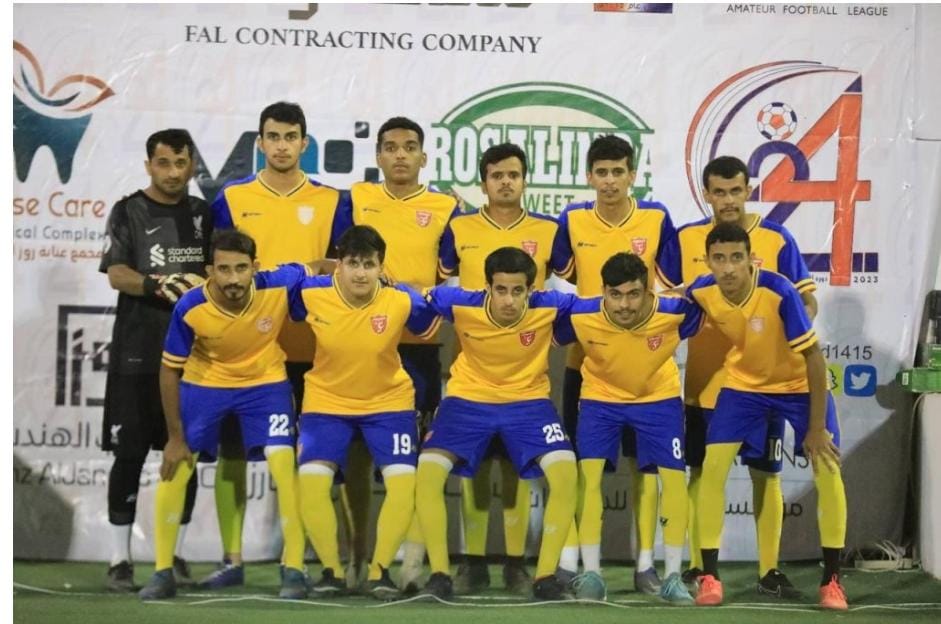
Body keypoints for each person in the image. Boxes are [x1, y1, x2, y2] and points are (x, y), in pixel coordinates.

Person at [208, 101, 349, 587]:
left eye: (291, 137)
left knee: (317, 458)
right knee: (232, 453)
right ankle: (231, 560)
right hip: (247, 349)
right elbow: (219, 272)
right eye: (274, 136)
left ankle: (317, 561)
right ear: (260, 143)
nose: (282, 146)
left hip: (316, 348)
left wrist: (317, 272)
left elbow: (344, 270)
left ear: (305, 144)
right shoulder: (231, 198)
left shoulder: (332, 200)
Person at [138, 230, 310, 600]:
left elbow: (315, 268)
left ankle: (294, 568)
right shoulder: (191, 306)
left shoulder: (279, 283)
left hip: (266, 384)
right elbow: (169, 370)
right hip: (206, 384)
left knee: (284, 463)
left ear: (255, 267)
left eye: (241, 268)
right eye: (224, 269)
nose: (233, 278)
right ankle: (162, 571)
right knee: (177, 465)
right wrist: (175, 438)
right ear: (209, 271)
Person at [677, 155, 818, 597]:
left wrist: (783, 334)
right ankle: (701, 567)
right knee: (701, 473)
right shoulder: (684, 239)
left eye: (735, 191)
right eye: (718, 192)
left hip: (762, 384)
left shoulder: (776, 238)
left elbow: (807, 303)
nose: (728, 200)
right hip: (704, 383)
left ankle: (769, 571)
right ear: (706, 194)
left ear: (749, 190)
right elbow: (674, 301)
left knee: (765, 473)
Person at [686, 223, 846, 610]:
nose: (728, 268)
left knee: (827, 468)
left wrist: (816, 428)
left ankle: (831, 582)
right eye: (719, 259)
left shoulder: (779, 291)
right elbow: (672, 299)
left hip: (798, 386)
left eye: (736, 258)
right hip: (743, 389)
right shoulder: (702, 290)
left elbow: (814, 358)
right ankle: (710, 577)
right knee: (712, 467)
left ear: (751, 259)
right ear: (707, 261)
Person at [552, 134, 681, 592]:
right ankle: (575, 562)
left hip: (645, 371)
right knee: (584, 469)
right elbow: (559, 278)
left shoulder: (656, 218)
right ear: (589, 176)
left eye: (618, 172)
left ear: (632, 175)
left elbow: (674, 287)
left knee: (646, 472)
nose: (610, 181)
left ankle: (646, 566)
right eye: (601, 172)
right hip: (586, 366)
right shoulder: (571, 220)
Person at [416, 247, 578, 601]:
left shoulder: (552, 305)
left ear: (531, 290)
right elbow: (411, 295)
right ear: (487, 287)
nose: (508, 300)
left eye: (517, 291)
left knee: (566, 470)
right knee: (428, 469)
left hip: (529, 402)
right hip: (467, 400)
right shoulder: (458, 302)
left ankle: (545, 577)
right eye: (500, 290)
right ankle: (440, 575)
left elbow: (600, 305)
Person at [437, 143, 563, 594]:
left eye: (513, 174)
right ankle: (472, 564)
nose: (505, 182)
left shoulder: (550, 230)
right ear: (484, 182)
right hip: (472, 371)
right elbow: (441, 285)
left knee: (514, 470)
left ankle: (515, 564)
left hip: (525, 375)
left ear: (525, 180)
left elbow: (569, 288)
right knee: (471, 470)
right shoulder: (459, 227)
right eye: (496, 175)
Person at [290, 225, 440, 601]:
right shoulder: (311, 293)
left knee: (404, 482)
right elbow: (280, 294)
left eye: (369, 264)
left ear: (380, 267)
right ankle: (332, 572)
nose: (360, 273)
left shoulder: (399, 299)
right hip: (326, 402)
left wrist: (409, 288)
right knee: (311, 480)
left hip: (388, 403)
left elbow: (428, 323)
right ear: (339, 264)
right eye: (353, 263)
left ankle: (378, 572)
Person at [349, 117, 459, 590]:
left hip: (418, 347)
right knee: (356, 455)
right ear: (378, 155)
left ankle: (412, 564)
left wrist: (412, 293)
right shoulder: (356, 199)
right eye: (391, 147)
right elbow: (338, 264)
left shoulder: (446, 207)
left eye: (409, 147)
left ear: (423, 157)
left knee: (415, 457)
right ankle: (357, 558)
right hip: (360, 347)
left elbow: (450, 278)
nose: (400, 155)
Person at [99, 128, 211, 591]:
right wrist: (156, 285)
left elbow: (220, 268)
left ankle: (175, 554)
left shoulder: (204, 213)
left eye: (181, 163)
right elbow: (116, 273)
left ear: (191, 165)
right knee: (128, 454)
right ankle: (119, 559)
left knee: (183, 454)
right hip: (137, 353)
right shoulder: (128, 210)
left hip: (193, 356)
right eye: (163, 163)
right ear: (149, 165)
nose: (172, 172)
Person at [554, 253, 700, 604]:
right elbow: (538, 308)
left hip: (658, 401)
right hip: (600, 401)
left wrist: (692, 286)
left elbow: (708, 297)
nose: (624, 304)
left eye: (633, 294)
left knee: (673, 480)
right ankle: (592, 575)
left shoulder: (676, 311)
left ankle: (673, 577)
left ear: (648, 292)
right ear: (603, 291)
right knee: (588, 479)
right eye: (615, 294)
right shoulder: (580, 313)